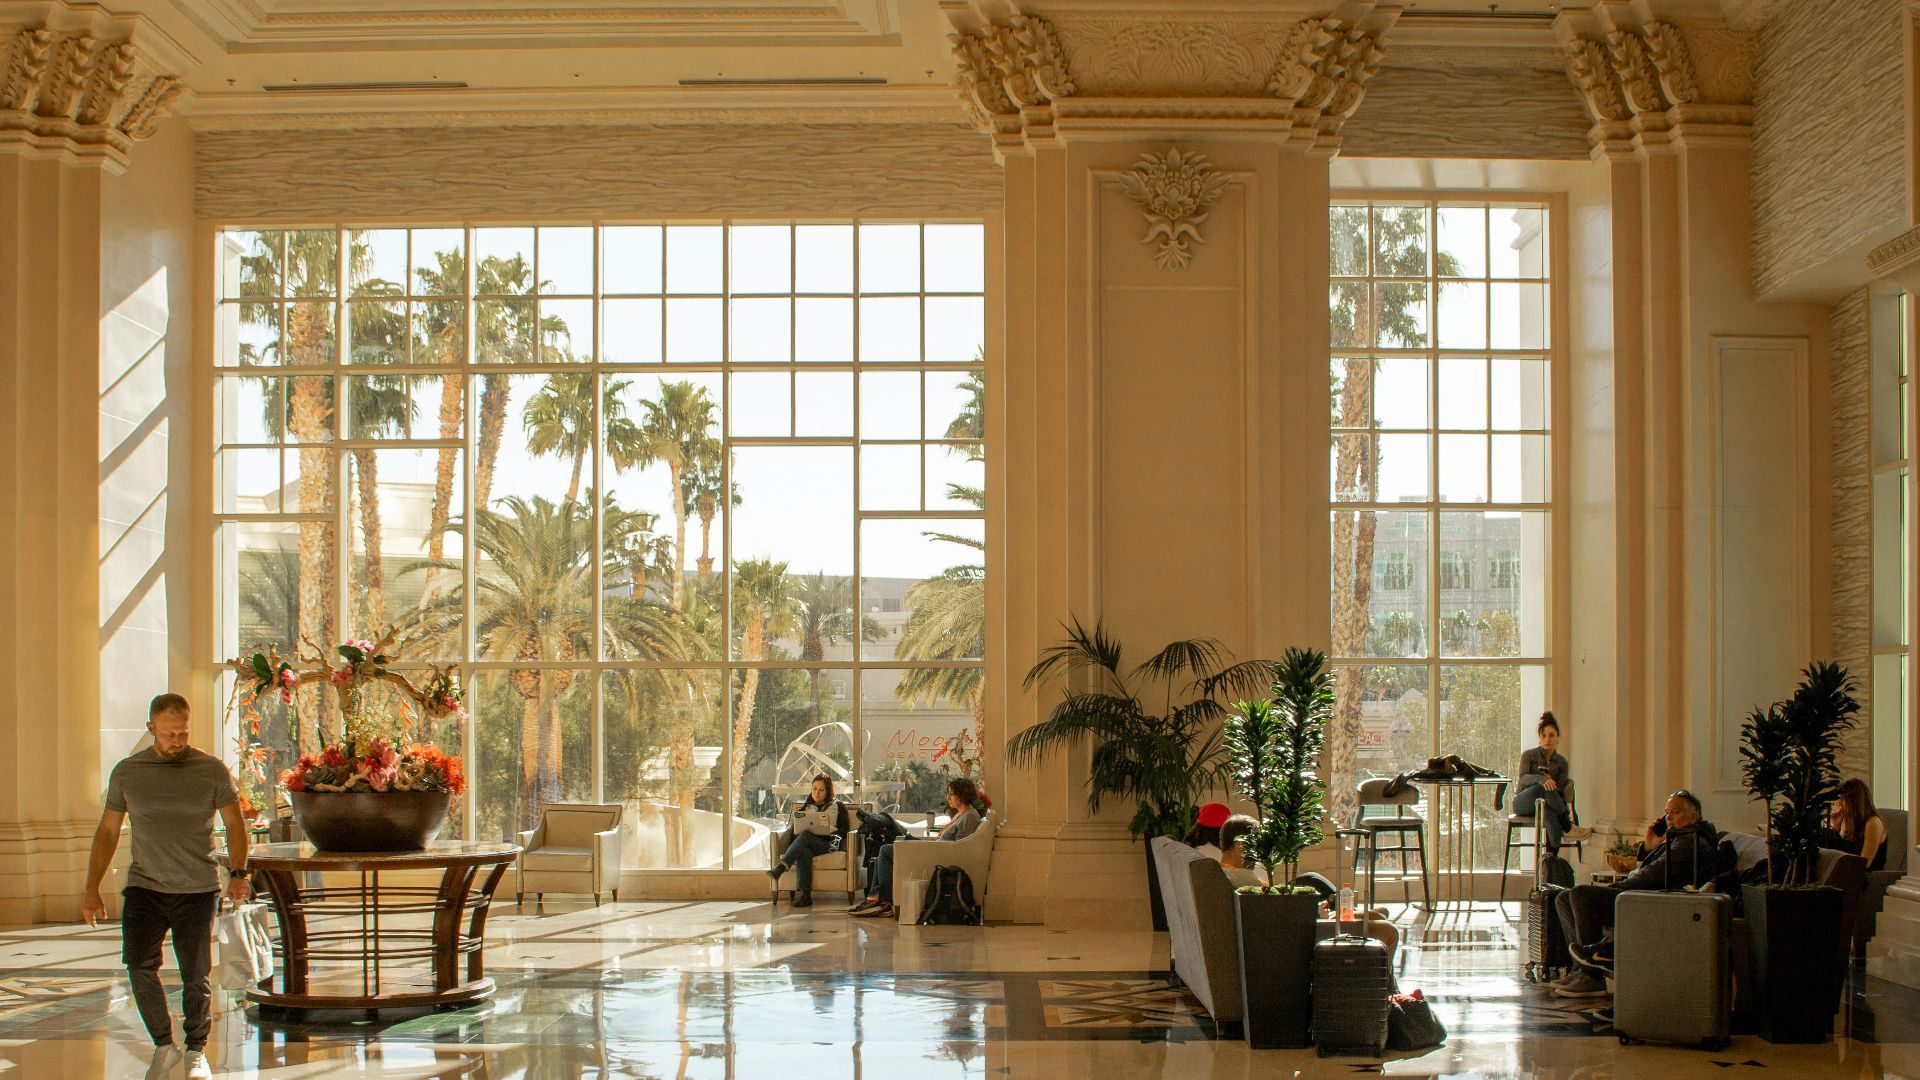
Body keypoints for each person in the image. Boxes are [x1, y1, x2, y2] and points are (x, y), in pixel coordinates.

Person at [81, 694, 252, 1080]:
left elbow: (236, 824)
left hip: (197, 887)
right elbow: (108, 830)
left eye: (183, 732)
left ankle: (196, 1051)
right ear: (151, 729)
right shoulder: (127, 772)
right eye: (169, 733)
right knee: (138, 965)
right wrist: (92, 888)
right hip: (145, 885)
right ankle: (163, 1043)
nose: (177, 739)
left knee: (196, 975)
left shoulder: (210, 770)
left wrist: (239, 874)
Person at [1546, 789, 1719, 1000]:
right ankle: (1581, 971)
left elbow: (1651, 876)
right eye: (1667, 813)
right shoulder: (1677, 838)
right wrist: (1649, 847)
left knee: (1582, 895)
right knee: (1564, 897)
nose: (1669, 818)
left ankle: (1592, 977)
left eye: (1676, 812)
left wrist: (1615, 888)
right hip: (1643, 896)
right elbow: (1648, 871)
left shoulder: (1690, 840)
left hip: (1652, 904)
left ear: (1695, 816)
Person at [1215, 815, 1398, 955]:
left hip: (1298, 921)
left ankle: (1351, 909)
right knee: (1388, 930)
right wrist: (1314, 913)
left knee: (1374, 914)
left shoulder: (1228, 873)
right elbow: (1275, 916)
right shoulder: (1243, 879)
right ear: (1241, 845)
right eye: (1258, 844)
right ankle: (1388, 991)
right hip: (1302, 930)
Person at [852, 777, 982, 919]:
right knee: (889, 841)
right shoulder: (962, 814)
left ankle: (883, 901)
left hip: (933, 853)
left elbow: (959, 848)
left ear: (962, 794)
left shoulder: (969, 817)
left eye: (951, 793)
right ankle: (875, 898)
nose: (948, 797)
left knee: (885, 849)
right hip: (932, 848)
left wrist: (930, 845)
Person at [766, 774, 852, 909]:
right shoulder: (805, 808)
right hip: (808, 844)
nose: (817, 793)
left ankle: (782, 866)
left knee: (805, 836)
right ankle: (806, 896)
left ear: (828, 791)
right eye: (814, 789)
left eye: (821, 790)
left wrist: (830, 830)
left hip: (829, 844)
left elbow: (845, 829)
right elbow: (795, 832)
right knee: (803, 850)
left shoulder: (838, 806)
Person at [1513, 712, 1594, 853]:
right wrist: (1542, 779)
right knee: (1543, 787)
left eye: (1551, 735)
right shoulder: (1529, 755)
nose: (1547, 739)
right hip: (1523, 802)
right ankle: (1567, 826)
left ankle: (1550, 863)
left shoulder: (1562, 763)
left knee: (1550, 814)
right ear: (1539, 738)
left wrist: (1551, 782)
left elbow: (1560, 790)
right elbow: (1523, 778)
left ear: (1558, 737)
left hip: (1547, 804)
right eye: (1543, 736)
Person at [1828, 778, 1888, 872]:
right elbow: (1835, 855)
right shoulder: (1846, 821)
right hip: (1846, 871)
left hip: (1865, 877)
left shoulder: (1873, 823)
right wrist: (1834, 826)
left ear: (1854, 801)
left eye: (1841, 800)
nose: (1837, 805)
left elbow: (1863, 864)